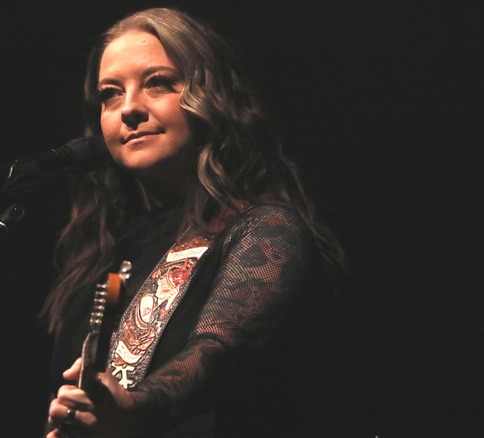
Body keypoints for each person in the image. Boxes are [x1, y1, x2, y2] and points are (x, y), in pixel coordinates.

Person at [40, 7, 345, 437]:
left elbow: (216, 351)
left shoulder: (266, 231)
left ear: (210, 95)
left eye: (158, 83)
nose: (128, 108)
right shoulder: (109, 259)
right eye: (110, 93)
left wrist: (132, 409)